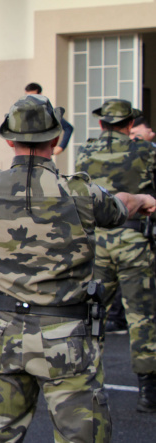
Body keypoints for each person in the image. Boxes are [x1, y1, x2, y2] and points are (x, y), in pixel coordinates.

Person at [0, 94, 155, 441]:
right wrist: (144, 200)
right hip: (65, 336)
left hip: (1, 334)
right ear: (55, 140)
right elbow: (121, 206)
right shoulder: (79, 192)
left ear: (9, 140)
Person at [75, 99, 156, 413]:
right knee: (142, 316)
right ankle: (148, 393)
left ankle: (87, 386)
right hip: (135, 240)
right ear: (129, 125)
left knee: (93, 315)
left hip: (96, 244)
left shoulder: (85, 151)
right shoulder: (146, 152)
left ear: (100, 124)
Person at [24, 83, 74, 155]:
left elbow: (68, 128)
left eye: (33, 96)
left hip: (43, 155)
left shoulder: (47, 112)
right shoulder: (21, 113)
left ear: (39, 95)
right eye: (28, 96)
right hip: (26, 155)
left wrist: (61, 147)